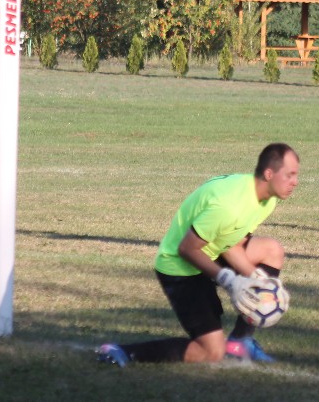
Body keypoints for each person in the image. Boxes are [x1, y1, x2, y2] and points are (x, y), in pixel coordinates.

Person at [97, 143, 300, 366]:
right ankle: (123, 351)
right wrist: (229, 280)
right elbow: (186, 249)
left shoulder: (266, 198)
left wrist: (257, 278)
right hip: (179, 266)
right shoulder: (229, 205)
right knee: (210, 352)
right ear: (269, 174)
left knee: (272, 251)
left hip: (209, 252)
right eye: (289, 175)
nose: (295, 182)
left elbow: (232, 245)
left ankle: (240, 342)